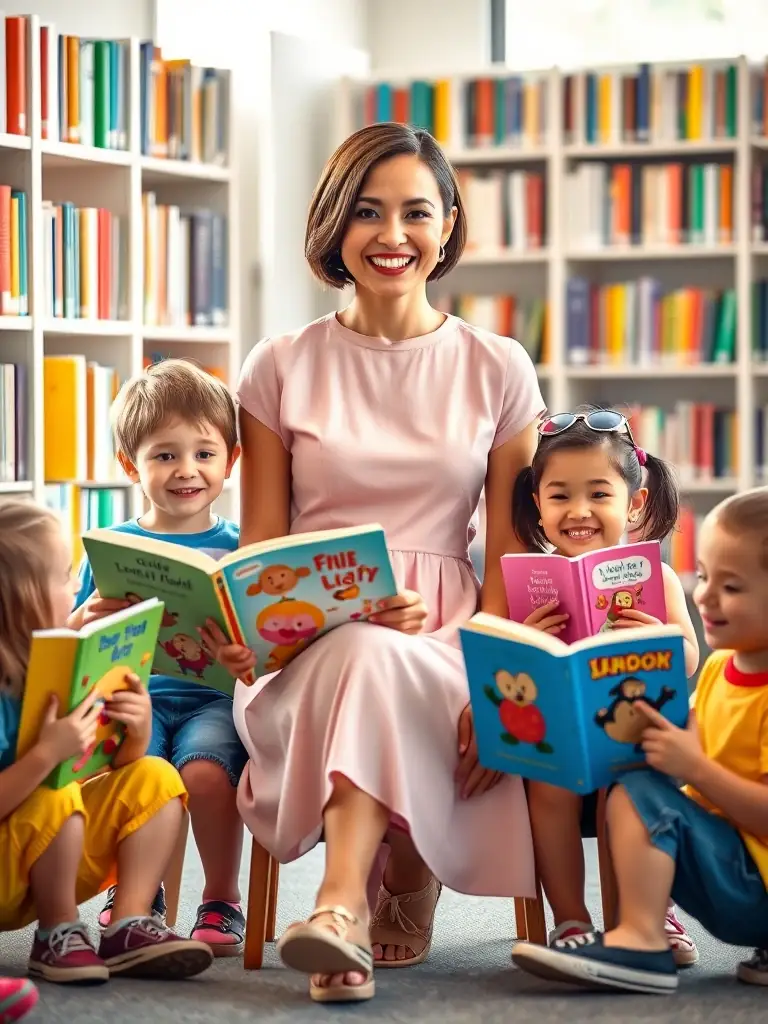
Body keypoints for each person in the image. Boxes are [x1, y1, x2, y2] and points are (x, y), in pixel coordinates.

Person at [210, 120, 545, 1004]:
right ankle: (356, 899)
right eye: (366, 212)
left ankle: (340, 910)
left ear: (448, 224)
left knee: (380, 655)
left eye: (415, 212)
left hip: (451, 640)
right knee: (359, 649)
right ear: (334, 225)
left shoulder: (498, 365)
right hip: (306, 648)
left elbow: (512, 556)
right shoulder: (279, 364)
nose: (392, 235)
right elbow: (264, 552)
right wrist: (278, 631)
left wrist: (497, 680)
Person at [511, 486, 768, 993]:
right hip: (737, 880)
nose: (705, 596)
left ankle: (641, 943)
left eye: (731, 587)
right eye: (706, 575)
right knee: (636, 777)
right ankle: (631, 930)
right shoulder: (720, 671)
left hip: (750, 886)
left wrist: (695, 768)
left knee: (642, 792)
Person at [68, 360, 247, 956]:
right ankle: (138, 899)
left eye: (203, 453)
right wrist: (83, 618)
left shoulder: (243, 546)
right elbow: (65, 640)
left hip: (214, 699)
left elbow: (266, 647)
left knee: (202, 773)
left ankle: (221, 900)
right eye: (164, 455)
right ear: (130, 465)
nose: (186, 470)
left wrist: (242, 651)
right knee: (137, 773)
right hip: (131, 699)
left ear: (231, 460)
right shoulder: (109, 548)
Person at [510, 406, 700, 964]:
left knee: (634, 788)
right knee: (546, 787)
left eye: (598, 494)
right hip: (559, 740)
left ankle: (644, 913)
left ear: (634, 502)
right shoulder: (531, 580)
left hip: (634, 738)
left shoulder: (655, 575)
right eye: (560, 496)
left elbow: (689, 657)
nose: (579, 512)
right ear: (538, 506)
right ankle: (570, 918)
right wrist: (526, 639)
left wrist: (661, 638)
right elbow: (508, 672)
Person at [0, 499, 212, 983]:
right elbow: (54, 779)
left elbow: (104, 770)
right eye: (64, 577)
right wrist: (45, 756)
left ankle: (129, 924)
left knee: (157, 776)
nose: (77, 587)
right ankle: (58, 931)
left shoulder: (61, 668)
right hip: (9, 867)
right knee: (55, 792)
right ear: (24, 597)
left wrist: (135, 733)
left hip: (48, 854)